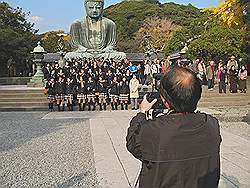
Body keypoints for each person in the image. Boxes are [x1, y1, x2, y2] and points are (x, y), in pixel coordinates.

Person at [126, 67, 221, 188]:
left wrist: (142, 113)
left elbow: (132, 142)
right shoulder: (211, 125)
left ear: (165, 101)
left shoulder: (153, 130)